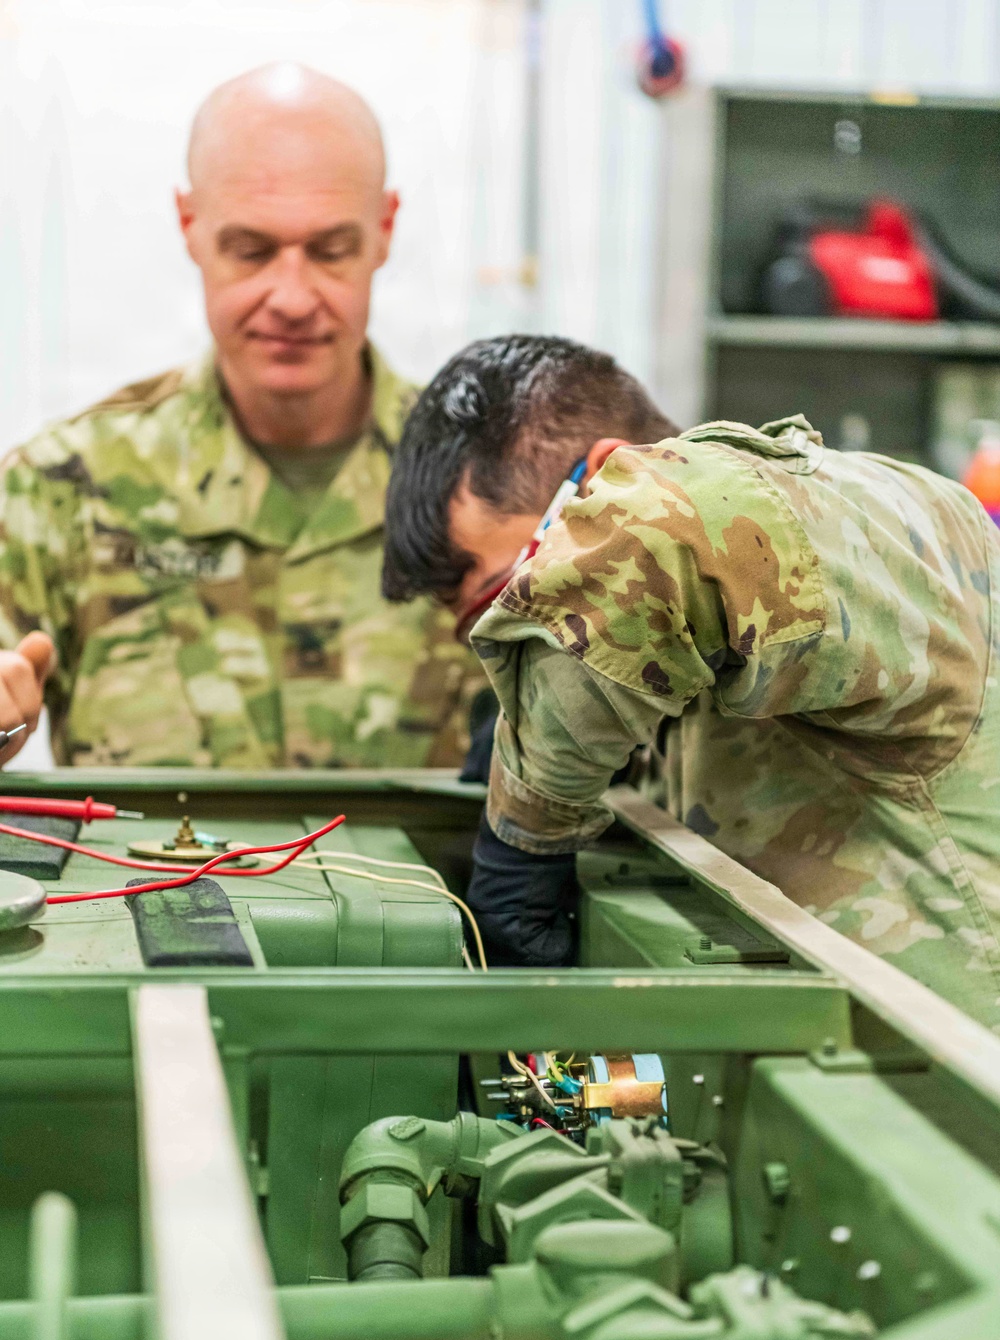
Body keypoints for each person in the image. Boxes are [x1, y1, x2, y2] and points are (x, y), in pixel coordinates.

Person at [382, 334, 1000, 1022]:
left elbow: (662, 532)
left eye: (514, 597)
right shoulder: (662, 657)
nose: (531, 634)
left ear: (605, 473)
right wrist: (520, 725)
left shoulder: (867, 523)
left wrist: (527, 830)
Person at [0, 63, 480, 768]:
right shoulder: (63, 488)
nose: (290, 296)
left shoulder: (488, 484)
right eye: (250, 251)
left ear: (384, 230)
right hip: (155, 881)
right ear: (191, 227)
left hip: (433, 883)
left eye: (330, 251)